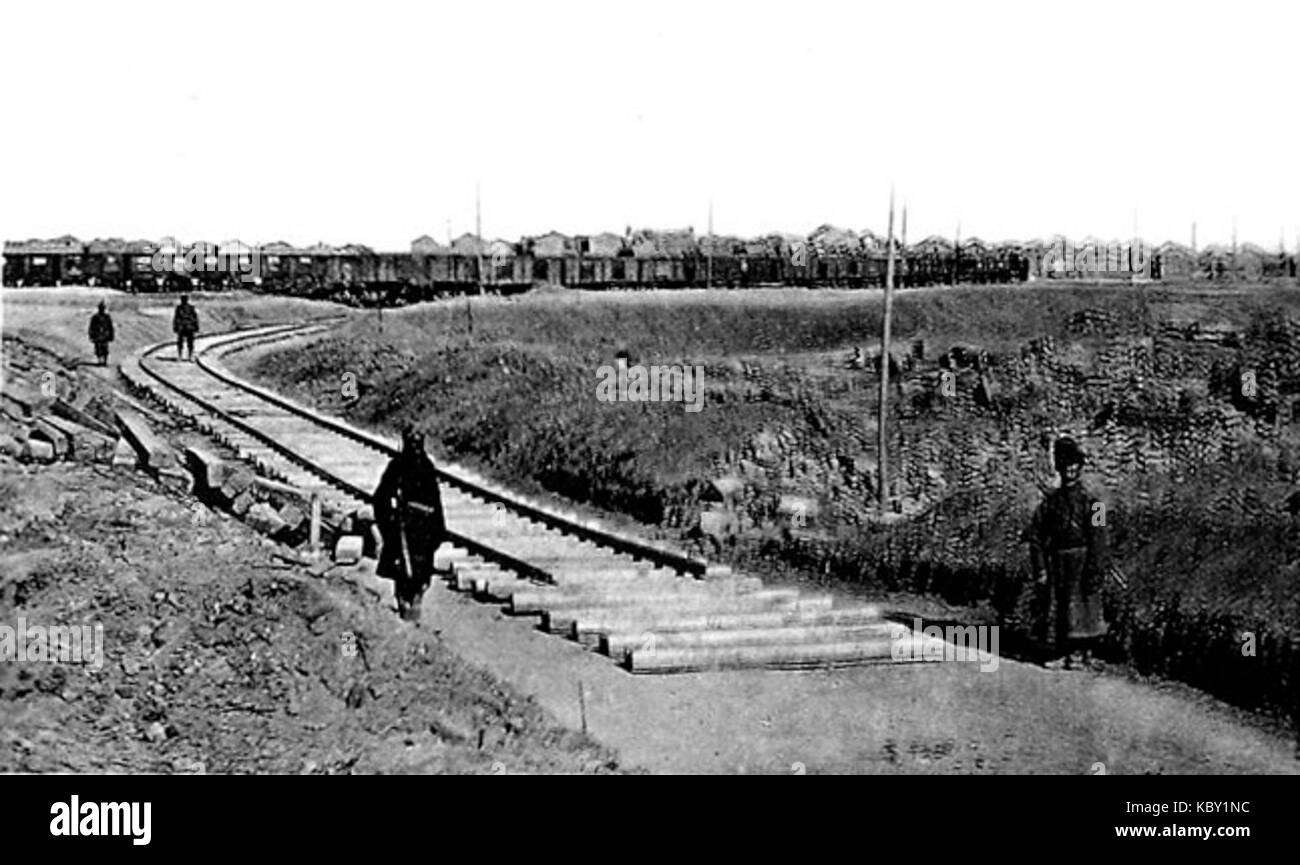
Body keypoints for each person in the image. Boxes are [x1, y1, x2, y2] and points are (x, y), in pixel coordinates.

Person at [1021, 436, 1109, 670]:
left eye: (1074, 464)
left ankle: (1082, 654)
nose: (1070, 469)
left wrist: (1096, 567)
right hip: (1060, 562)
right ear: (1059, 468)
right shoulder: (1050, 503)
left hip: (1084, 558)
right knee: (1063, 606)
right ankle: (1064, 652)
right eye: (1065, 465)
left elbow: (1100, 536)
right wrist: (1040, 568)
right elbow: (1036, 536)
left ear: (1080, 467)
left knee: (1085, 606)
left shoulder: (1094, 500)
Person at [374, 426, 448, 622]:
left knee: (421, 573)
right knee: (404, 571)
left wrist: (438, 529)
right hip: (403, 529)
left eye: (418, 443)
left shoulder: (426, 466)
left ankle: (414, 609)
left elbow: (435, 501)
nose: (415, 447)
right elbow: (381, 498)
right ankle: (406, 609)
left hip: (423, 529)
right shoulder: (397, 467)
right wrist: (389, 522)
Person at [173, 294, 199, 361]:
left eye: (184, 299)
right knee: (180, 342)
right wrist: (175, 326)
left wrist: (196, 326)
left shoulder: (191, 308)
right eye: (182, 299)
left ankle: (190, 356)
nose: (183, 301)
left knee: (190, 343)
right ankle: (180, 356)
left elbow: (195, 317)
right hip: (182, 327)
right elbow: (176, 318)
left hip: (189, 327)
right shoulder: (179, 308)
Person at [88, 300, 115, 366]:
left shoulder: (107, 317)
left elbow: (110, 326)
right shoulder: (95, 317)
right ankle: (100, 360)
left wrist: (111, 335)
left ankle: (105, 360)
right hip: (98, 335)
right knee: (98, 349)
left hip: (105, 335)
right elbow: (91, 327)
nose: (102, 310)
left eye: (103, 308)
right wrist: (91, 335)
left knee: (105, 349)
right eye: (101, 308)